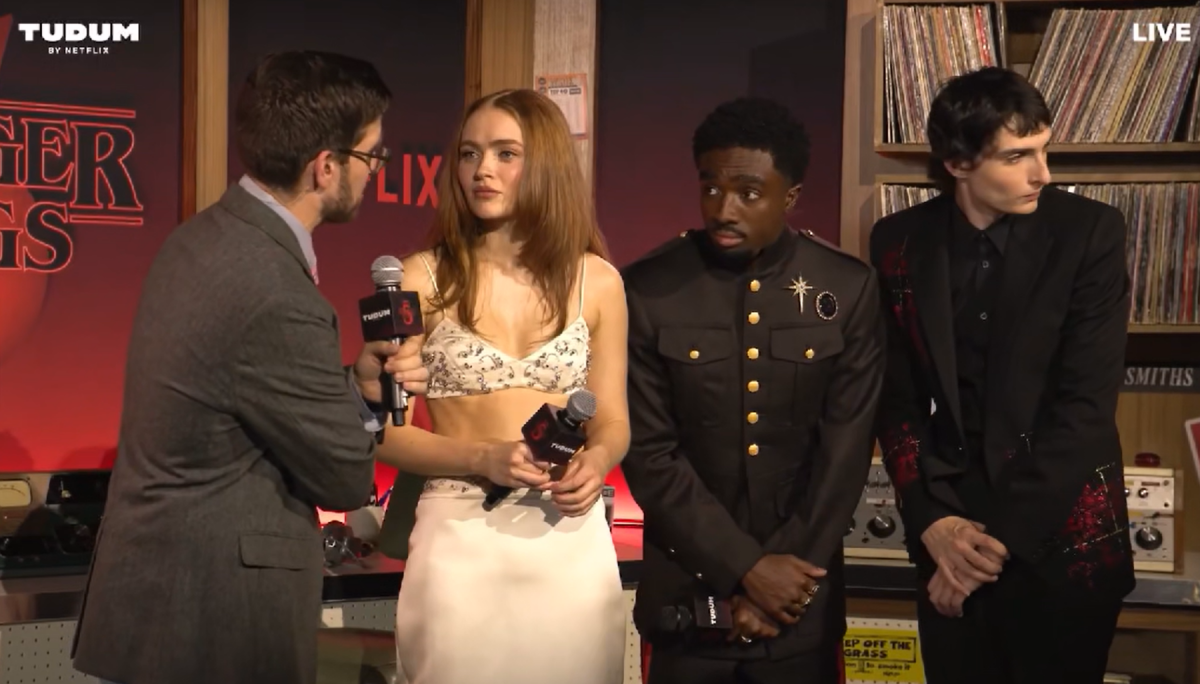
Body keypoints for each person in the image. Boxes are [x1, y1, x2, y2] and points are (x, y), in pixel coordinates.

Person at [71, 51, 430, 684]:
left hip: (160, 605)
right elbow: (344, 477)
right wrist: (370, 410)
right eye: (372, 156)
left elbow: (246, 405)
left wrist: (354, 386)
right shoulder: (278, 294)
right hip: (212, 620)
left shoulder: (202, 237)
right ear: (326, 167)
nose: (377, 172)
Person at [868, 66, 1135, 684]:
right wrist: (933, 521)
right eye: (1018, 156)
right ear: (958, 163)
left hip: (1065, 544)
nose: (1044, 173)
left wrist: (985, 552)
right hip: (949, 537)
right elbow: (895, 400)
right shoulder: (898, 241)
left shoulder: (1090, 232)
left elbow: (1085, 410)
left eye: (1044, 150)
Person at [621, 96, 885, 684]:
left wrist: (779, 585)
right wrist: (746, 568)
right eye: (710, 188)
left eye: (748, 192)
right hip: (686, 601)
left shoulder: (847, 288)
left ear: (789, 197)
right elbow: (650, 455)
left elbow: (843, 455)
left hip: (799, 606)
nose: (723, 207)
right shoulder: (648, 289)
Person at [372, 88, 629, 684]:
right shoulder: (420, 277)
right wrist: (483, 457)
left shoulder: (601, 282)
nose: (481, 170)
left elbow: (613, 419)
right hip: (460, 538)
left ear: (546, 165)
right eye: (468, 154)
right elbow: (385, 434)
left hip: (571, 540)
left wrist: (598, 459)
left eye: (504, 153)